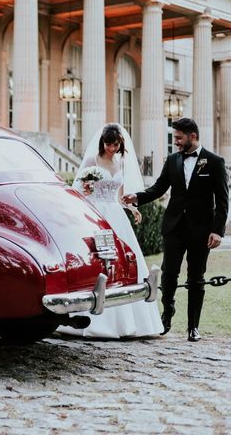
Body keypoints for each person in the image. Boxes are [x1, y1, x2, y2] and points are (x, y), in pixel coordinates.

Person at [122, 118, 228, 342]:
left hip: (202, 231)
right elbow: (159, 187)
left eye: (179, 138)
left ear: (193, 136)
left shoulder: (215, 162)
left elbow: (222, 201)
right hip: (174, 227)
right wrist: (137, 197)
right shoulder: (172, 160)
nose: (176, 142)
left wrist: (217, 231)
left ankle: (193, 327)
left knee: (196, 277)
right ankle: (168, 311)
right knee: (169, 275)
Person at [57, 123, 164, 338]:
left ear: (120, 144)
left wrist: (131, 208)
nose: (111, 149)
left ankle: (130, 320)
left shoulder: (120, 162)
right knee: (99, 261)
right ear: (102, 142)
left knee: (124, 262)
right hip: (97, 214)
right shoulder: (92, 161)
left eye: (115, 145)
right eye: (108, 144)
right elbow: (78, 192)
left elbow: (120, 195)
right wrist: (87, 190)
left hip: (115, 215)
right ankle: (94, 318)